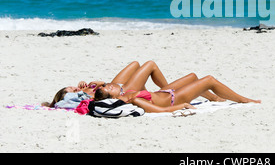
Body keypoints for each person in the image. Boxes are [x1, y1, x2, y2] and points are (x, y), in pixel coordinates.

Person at [42, 60, 240, 108]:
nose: (75, 89)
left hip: (116, 86)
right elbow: (99, 97)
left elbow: (101, 89)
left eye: (72, 87)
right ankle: (168, 89)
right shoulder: (82, 97)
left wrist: (98, 83)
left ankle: (209, 95)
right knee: (149, 64)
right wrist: (91, 90)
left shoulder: (85, 88)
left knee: (136, 63)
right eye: (72, 91)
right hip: (122, 90)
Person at [94, 73, 261, 113]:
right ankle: (244, 100)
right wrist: (182, 105)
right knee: (209, 80)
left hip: (164, 92)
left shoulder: (125, 93)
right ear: (112, 97)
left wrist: (99, 85)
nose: (111, 85)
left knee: (193, 76)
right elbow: (159, 110)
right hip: (174, 99)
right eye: (109, 88)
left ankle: (216, 97)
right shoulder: (129, 99)